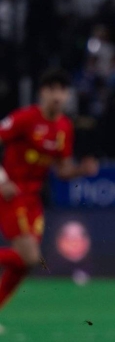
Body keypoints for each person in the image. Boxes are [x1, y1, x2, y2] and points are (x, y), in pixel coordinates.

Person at [0, 69, 99, 326]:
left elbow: (62, 170)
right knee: (30, 258)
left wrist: (81, 170)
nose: (57, 95)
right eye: (52, 89)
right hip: (10, 194)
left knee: (24, 265)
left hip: (33, 199)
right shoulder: (24, 118)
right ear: (42, 92)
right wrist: (2, 179)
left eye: (62, 90)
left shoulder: (64, 127)